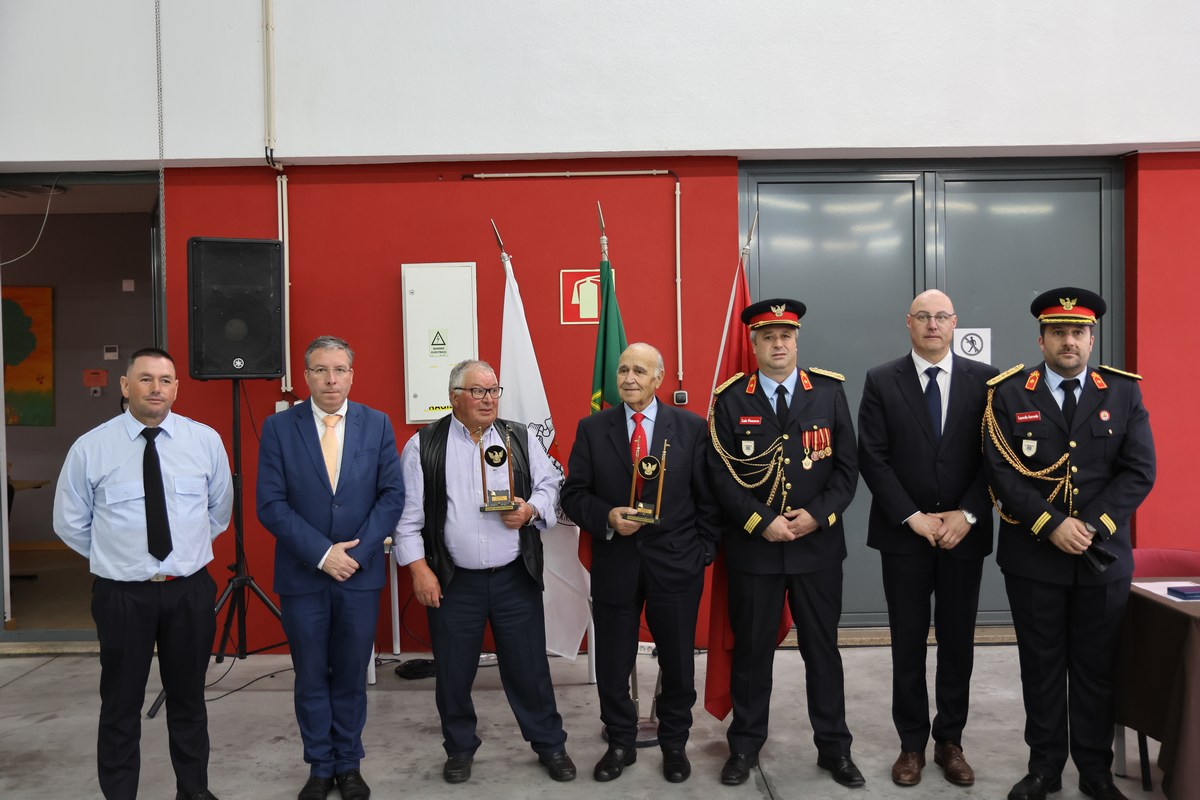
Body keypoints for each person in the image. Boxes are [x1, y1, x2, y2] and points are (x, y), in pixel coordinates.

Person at [983, 288, 1155, 800]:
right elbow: (1000, 471)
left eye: (1077, 332)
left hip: (1102, 559)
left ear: (1091, 338)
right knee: (1040, 668)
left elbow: (1139, 471)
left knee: (1096, 670)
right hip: (1034, 557)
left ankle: (1096, 772)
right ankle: (1045, 768)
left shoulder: (1122, 393)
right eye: (1057, 331)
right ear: (1041, 338)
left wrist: (1094, 525)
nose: (1068, 341)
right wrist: (1050, 524)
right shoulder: (1010, 393)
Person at [53, 347, 233, 800]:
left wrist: (180, 558)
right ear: (125, 386)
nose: (157, 388)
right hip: (122, 596)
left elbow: (218, 512)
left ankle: (194, 792)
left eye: (166, 380)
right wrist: (119, 559)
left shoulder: (204, 441)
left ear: (177, 387)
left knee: (189, 702)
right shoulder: (92, 448)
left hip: (188, 591)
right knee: (120, 705)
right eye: (147, 379)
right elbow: (70, 522)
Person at [393, 359, 576, 784]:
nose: (488, 399)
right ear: (455, 396)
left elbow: (553, 485)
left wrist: (531, 510)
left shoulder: (519, 436)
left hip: (515, 576)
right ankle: (459, 749)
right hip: (455, 580)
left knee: (529, 669)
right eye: (478, 391)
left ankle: (550, 744)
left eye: (493, 391)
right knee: (454, 673)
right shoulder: (425, 445)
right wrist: (420, 571)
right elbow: (408, 518)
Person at [707, 298, 864, 788]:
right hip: (756, 549)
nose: (778, 344)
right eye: (768, 337)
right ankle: (746, 746)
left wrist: (817, 517)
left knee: (823, 651)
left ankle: (834, 749)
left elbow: (847, 470)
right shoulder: (731, 399)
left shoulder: (829, 393)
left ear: (797, 341)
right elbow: (720, 474)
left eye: (786, 336)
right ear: (753, 344)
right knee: (753, 651)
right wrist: (759, 520)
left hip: (816, 549)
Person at [561, 343, 720, 784]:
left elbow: (708, 499)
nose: (629, 378)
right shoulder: (593, 429)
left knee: (677, 663)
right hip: (616, 562)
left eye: (639, 371)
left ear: (659, 378)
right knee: (612, 662)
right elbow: (572, 494)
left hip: (676, 563)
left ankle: (674, 745)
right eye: (623, 369)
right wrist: (607, 517)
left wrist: (703, 551)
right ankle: (619, 742)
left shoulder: (689, 428)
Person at [857, 290, 997, 787]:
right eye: (923, 317)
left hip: (965, 536)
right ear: (908, 323)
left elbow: (997, 459)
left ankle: (950, 741)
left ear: (955, 322)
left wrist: (971, 514)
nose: (933, 325)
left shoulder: (987, 381)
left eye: (941, 317)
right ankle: (911, 745)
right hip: (905, 538)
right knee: (908, 643)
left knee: (958, 642)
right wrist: (912, 516)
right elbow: (872, 456)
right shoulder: (881, 380)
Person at [257, 336, 405, 800]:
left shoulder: (377, 424)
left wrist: (354, 557)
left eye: (339, 369)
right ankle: (319, 767)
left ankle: (349, 765)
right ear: (306, 376)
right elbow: (270, 503)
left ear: (352, 375)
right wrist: (323, 554)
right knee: (310, 674)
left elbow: (391, 496)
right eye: (321, 370)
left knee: (350, 674)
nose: (331, 379)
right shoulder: (280, 427)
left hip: (359, 577)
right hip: (304, 576)